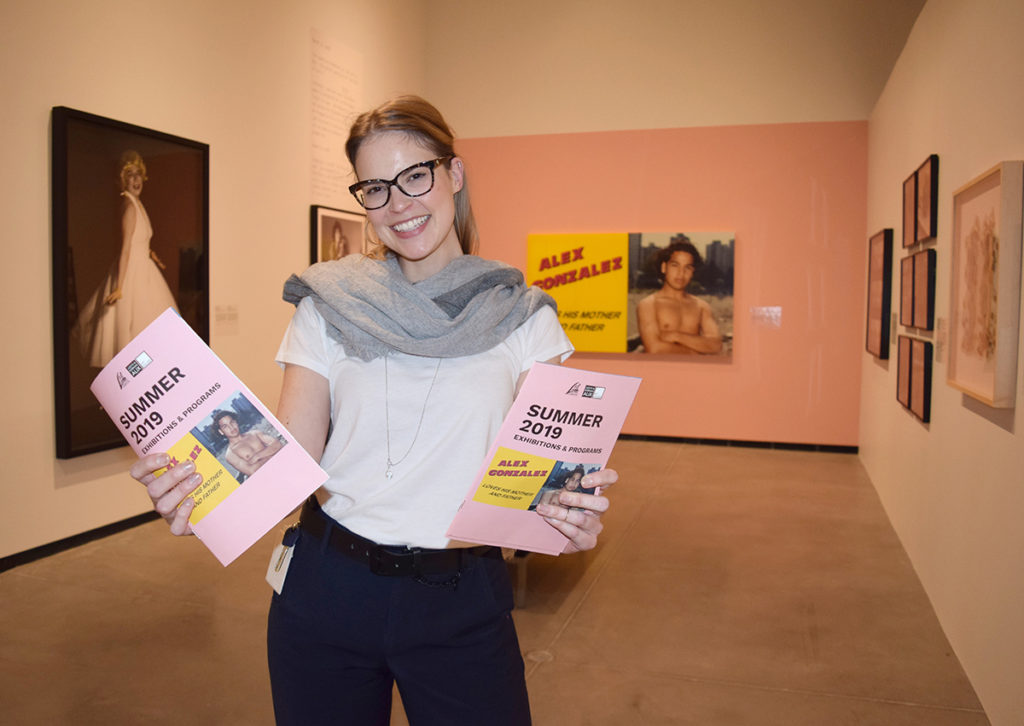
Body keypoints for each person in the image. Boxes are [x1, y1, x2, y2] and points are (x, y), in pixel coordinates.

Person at [129, 96, 617, 726]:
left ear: (454, 175)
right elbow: (292, 466)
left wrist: (568, 515)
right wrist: (200, 495)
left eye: (416, 176)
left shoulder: (523, 318)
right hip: (327, 589)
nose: (400, 204)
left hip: (460, 599)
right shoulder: (326, 305)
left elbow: (545, 473)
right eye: (376, 188)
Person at [75, 150, 178, 367]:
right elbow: (125, 249)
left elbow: (141, 241)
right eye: (130, 175)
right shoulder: (129, 206)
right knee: (133, 331)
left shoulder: (138, 204)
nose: (135, 180)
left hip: (145, 269)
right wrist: (120, 287)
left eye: (138, 174)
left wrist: (153, 255)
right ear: (123, 179)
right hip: (132, 273)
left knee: (150, 330)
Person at [635, 238, 722, 354]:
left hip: (692, 371)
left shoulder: (701, 306)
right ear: (664, 268)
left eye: (687, 267)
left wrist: (676, 335)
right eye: (675, 265)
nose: (681, 273)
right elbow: (654, 348)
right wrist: (695, 352)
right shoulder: (648, 304)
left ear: (692, 272)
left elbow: (715, 345)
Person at [211, 409, 284, 478]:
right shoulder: (230, 454)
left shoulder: (254, 433)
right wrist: (272, 452)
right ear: (221, 431)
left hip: (281, 465)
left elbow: (278, 444)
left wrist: (257, 456)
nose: (231, 427)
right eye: (225, 426)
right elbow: (252, 471)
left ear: (236, 422)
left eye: (232, 422)